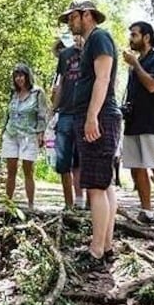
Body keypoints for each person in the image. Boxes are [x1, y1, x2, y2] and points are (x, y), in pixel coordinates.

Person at [58, 0, 122, 268]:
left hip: (100, 116)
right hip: (96, 115)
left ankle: (95, 251)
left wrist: (92, 117)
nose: (69, 23)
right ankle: (106, 247)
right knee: (103, 185)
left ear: (86, 15)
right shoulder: (91, 43)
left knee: (95, 187)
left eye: (72, 17)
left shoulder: (99, 38)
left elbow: (104, 78)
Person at [121, 21, 154, 229]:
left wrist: (135, 64)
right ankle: (146, 211)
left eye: (134, 35)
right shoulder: (136, 65)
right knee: (137, 169)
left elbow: (153, 86)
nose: (130, 39)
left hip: (153, 124)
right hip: (133, 123)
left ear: (147, 37)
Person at [1, 63, 49, 210]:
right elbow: (7, 114)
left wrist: (41, 133)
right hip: (11, 134)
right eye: (16, 76)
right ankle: (7, 204)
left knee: (28, 170)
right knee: (11, 170)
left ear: (27, 76)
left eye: (21, 75)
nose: (19, 79)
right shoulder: (13, 93)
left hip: (29, 135)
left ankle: (30, 205)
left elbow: (42, 114)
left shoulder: (37, 93)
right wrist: (2, 131)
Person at [52, 33, 86, 209]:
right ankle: (68, 204)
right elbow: (61, 84)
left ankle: (82, 201)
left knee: (82, 160)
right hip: (65, 113)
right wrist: (53, 109)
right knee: (63, 161)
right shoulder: (65, 56)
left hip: (85, 113)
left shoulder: (94, 49)